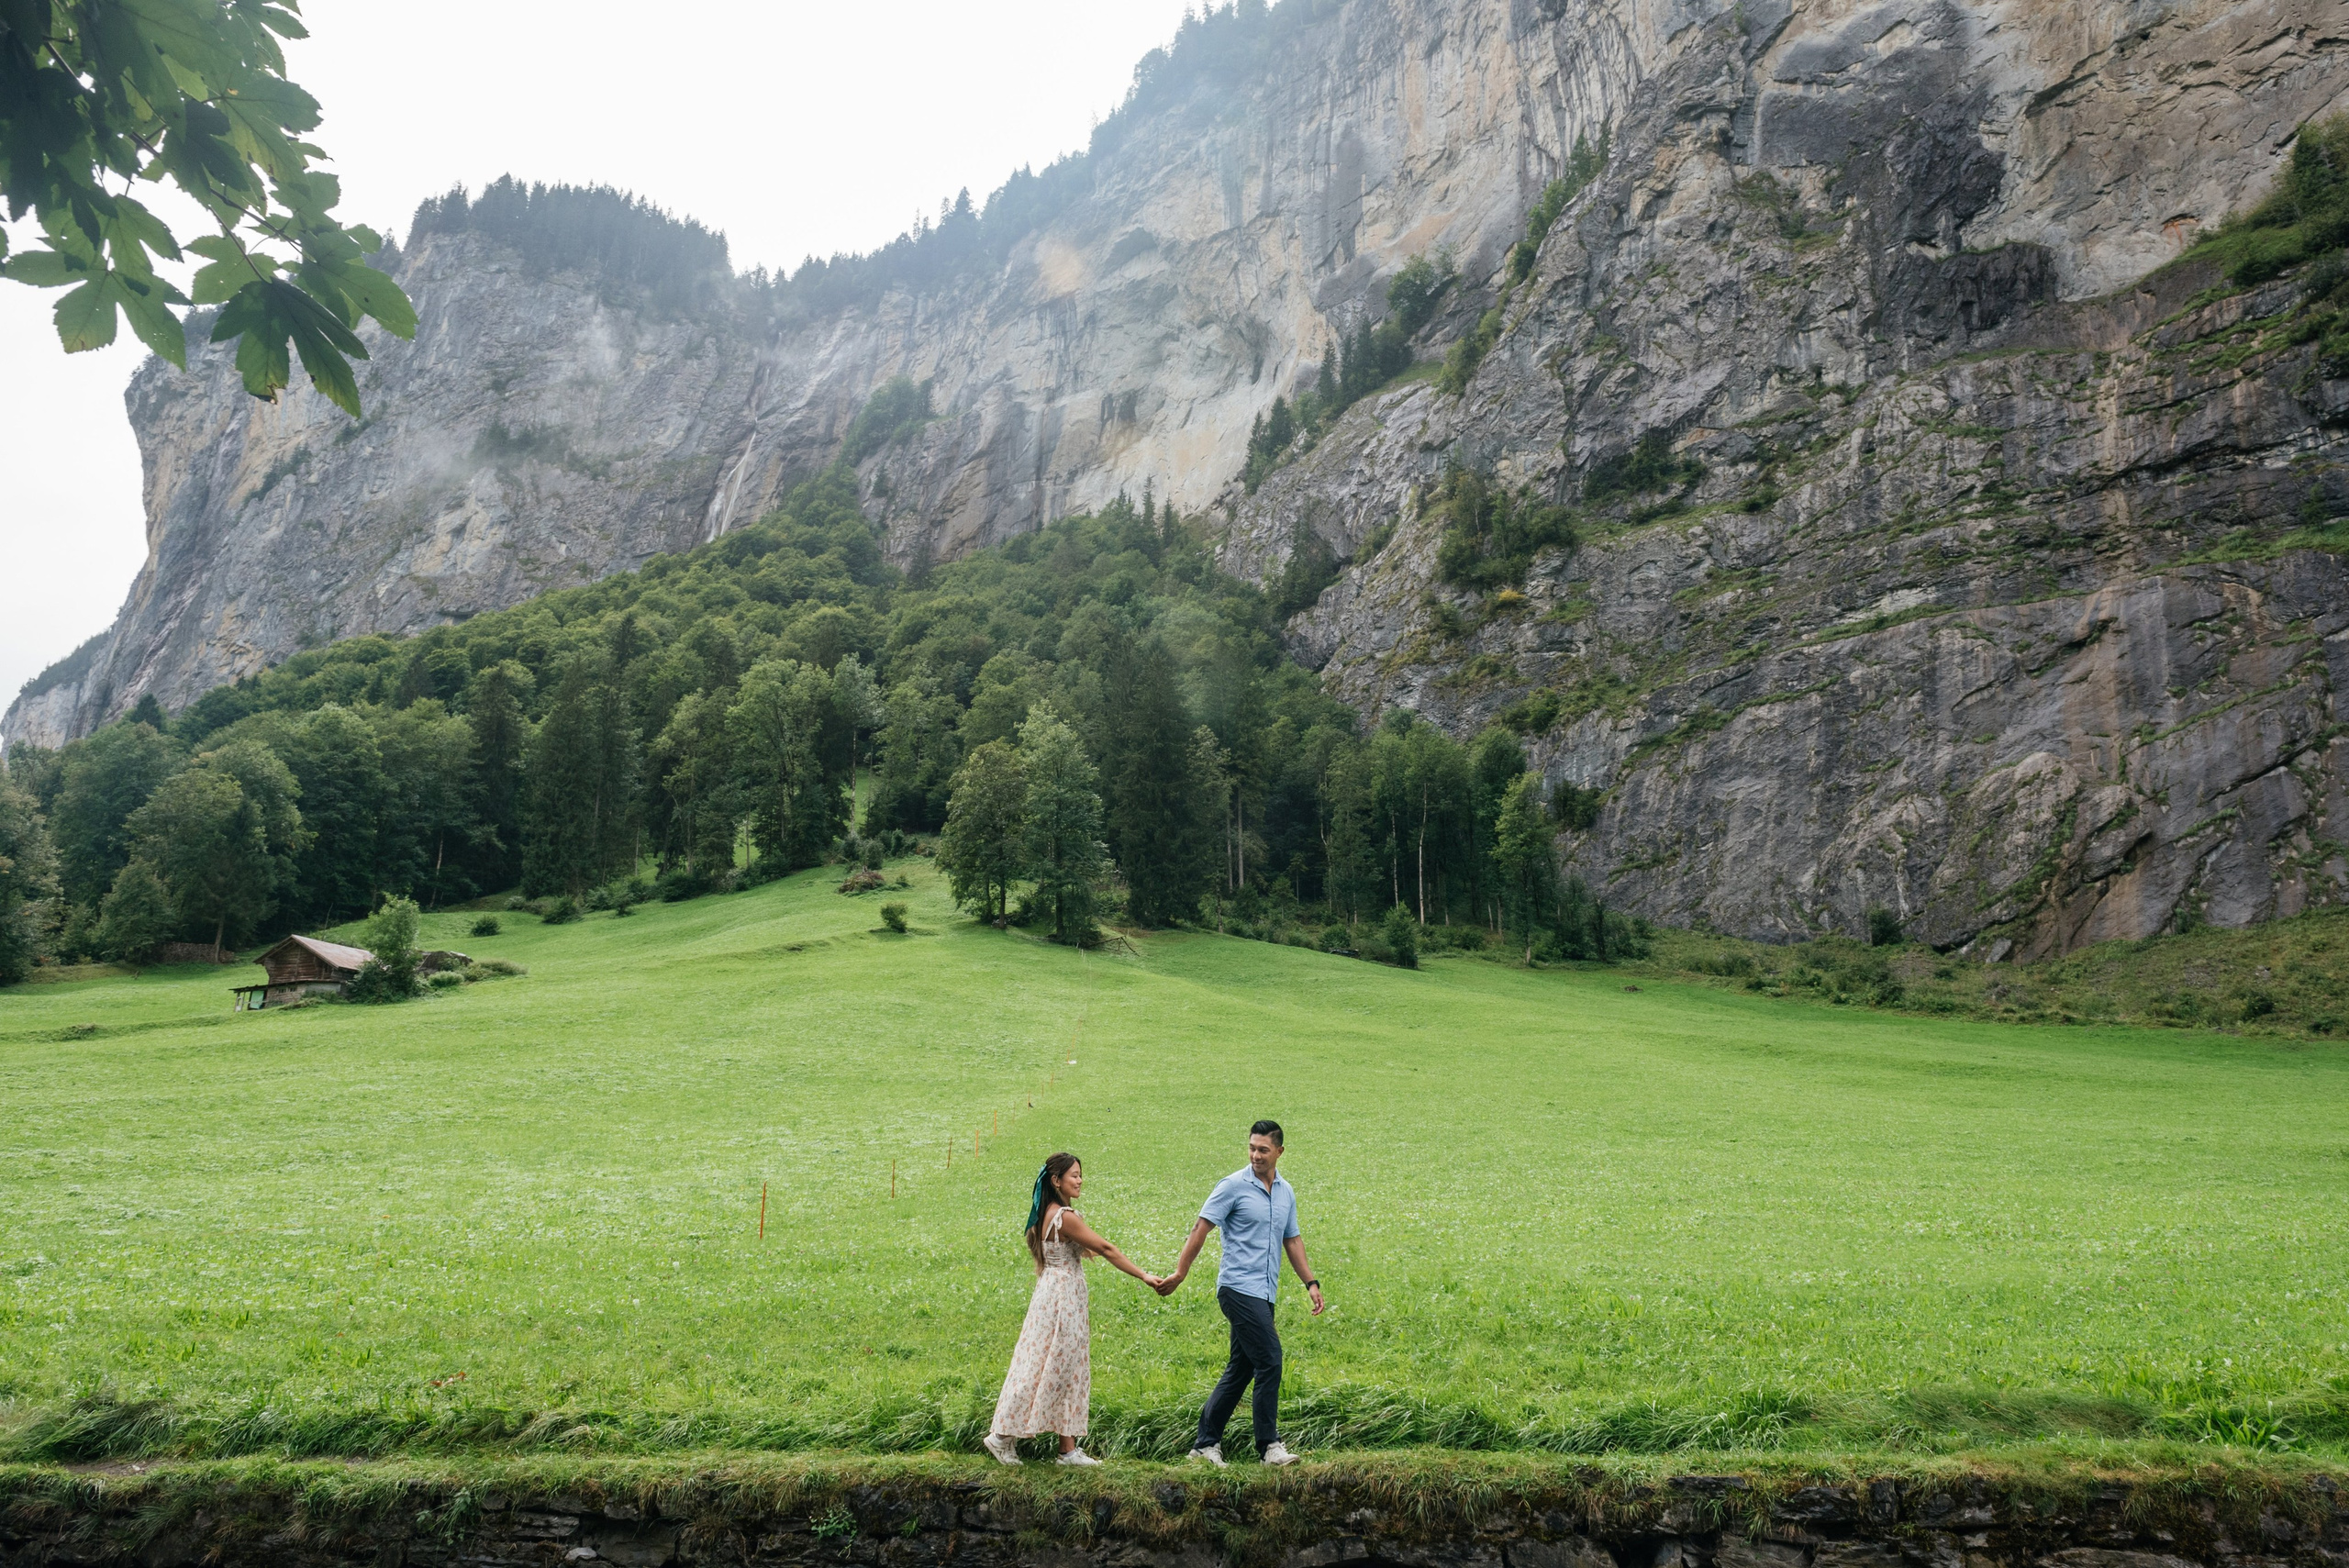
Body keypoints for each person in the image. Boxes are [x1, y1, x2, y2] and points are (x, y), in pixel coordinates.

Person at [1153, 1118, 1324, 1466]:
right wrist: (1180, 1273)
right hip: (1237, 1288)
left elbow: (1291, 1239)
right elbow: (1201, 1228)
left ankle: (1204, 1446)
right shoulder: (1232, 1186)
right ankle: (1269, 1447)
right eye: (1251, 1148)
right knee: (1270, 1359)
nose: (1255, 1155)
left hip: (1264, 1292)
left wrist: (1311, 1282)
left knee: (1241, 1368)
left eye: (1263, 1149)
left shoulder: (1286, 1192)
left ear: (1279, 1151)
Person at [984, 1151, 1163, 1466]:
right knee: (1048, 1366)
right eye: (1074, 1175)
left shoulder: (1049, 1212)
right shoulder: (1064, 1216)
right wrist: (1144, 1276)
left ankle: (1067, 1450)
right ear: (1056, 1181)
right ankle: (1001, 1436)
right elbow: (1105, 1248)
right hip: (1062, 1297)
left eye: (1081, 1175)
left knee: (1060, 1366)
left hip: (1054, 1293)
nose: (1079, 1180)